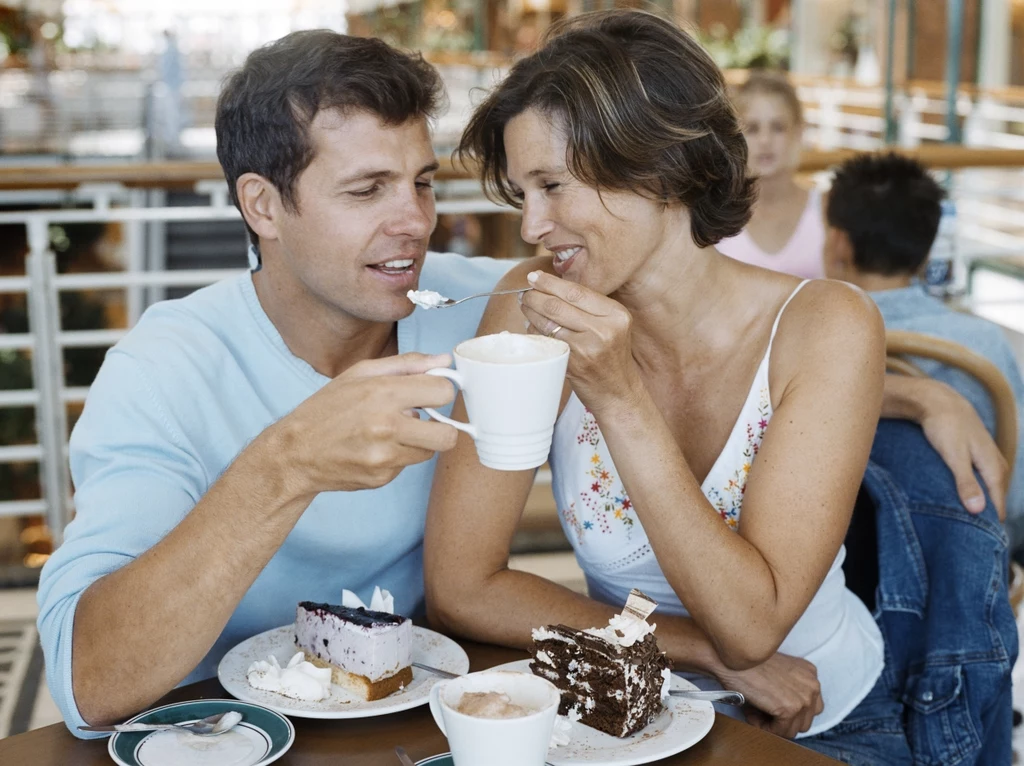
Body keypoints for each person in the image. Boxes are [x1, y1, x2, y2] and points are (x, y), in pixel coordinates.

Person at [424, 11, 1006, 762]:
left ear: (659, 169)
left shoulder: (826, 323)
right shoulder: (528, 309)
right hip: (627, 716)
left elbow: (752, 626)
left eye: (552, 186)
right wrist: (695, 650)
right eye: (522, 192)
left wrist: (620, 397)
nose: (532, 225)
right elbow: (462, 586)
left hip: (828, 726)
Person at [36, 30, 513, 736]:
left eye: (422, 181)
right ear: (262, 206)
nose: (415, 221)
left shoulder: (488, 313)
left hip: (424, 728)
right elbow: (89, 684)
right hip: (230, 740)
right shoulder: (163, 367)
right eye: (366, 189)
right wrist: (288, 463)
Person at [823, 151, 1024, 553]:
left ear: (838, 241)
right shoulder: (983, 344)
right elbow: (1016, 494)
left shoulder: (815, 334)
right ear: (928, 251)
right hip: (966, 548)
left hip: (838, 560)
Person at [717, 70, 825, 280]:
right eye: (752, 128)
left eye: (778, 127)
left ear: (798, 132)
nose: (765, 140)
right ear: (735, 136)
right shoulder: (716, 214)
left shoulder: (827, 210)